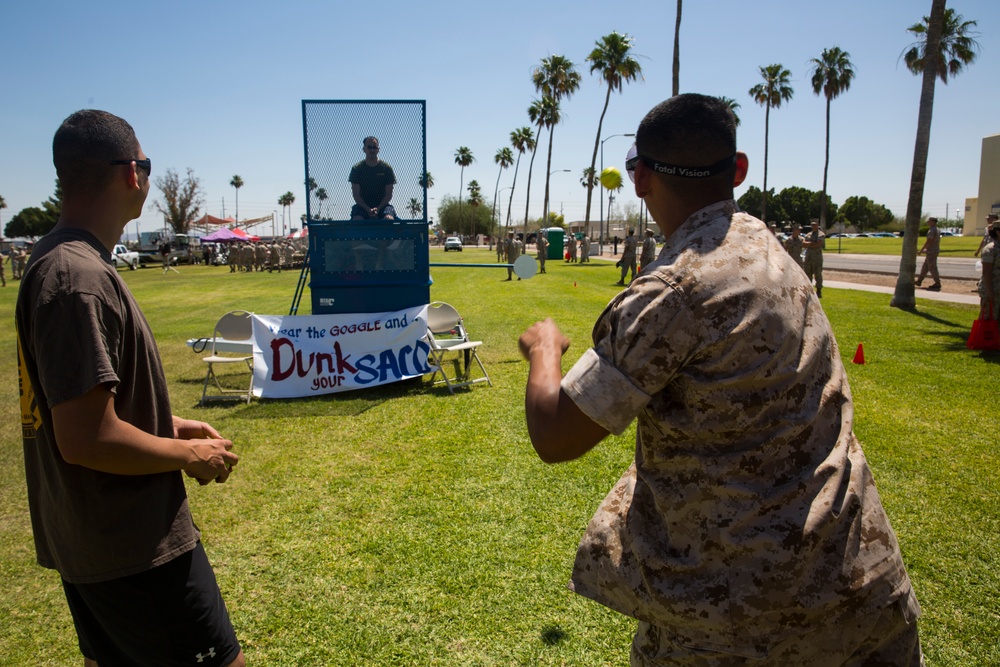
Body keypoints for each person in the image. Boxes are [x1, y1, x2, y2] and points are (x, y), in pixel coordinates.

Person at [518, 94, 921, 666]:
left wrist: (544, 351)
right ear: (737, 172)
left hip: (737, 624)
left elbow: (556, 435)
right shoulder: (767, 245)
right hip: (863, 589)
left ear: (640, 179)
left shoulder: (674, 290)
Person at [15, 110, 245, 667]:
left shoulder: (63, 262)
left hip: (100, 545)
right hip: (134, 551)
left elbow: (85, 408)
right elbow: (87, 439)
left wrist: (168, 427)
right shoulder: (78, 278)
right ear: (130, 174)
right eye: (146, 163)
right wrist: (189, 453)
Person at [349, 136, 396, 220]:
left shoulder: (386, 168)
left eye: (375, 147)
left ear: (378, 149)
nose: (372, 150)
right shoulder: (357, 169)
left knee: (388, 219)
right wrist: (367, 209)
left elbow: (389, 194)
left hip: (383, 206)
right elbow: (356, 195)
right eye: (369, 147)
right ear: (364, 149)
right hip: (362, 207)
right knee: (357, 219)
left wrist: (378, 208)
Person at [978, 222, 1000, 320]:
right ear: (998, 232)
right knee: (988, 319)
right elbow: (986, 272)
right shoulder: (990, 249)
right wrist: (990, 292)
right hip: (993, 289)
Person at [916, 216, 942, 291]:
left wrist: (921, 250)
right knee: (925, 267)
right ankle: (919, 281)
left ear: (933, 222)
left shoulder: (932, 230)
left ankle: (937, 283)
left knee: (932, 267)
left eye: (929, 221)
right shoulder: (937, 229)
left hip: (931, 251)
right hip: (933, 250)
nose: (928, 222)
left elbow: (929, 241)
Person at [802, 219, 825, 297]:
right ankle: (809, 290)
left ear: (818, 225)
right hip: (808, 257)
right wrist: (812, 243)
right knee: (807, 274)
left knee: (818, 274)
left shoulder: (821, 234)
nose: (813, 226)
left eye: (815, 224)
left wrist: (809, 244)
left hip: (817, 258)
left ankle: (819, 291)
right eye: (812, 224)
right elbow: (803, 244)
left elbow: (818, 244)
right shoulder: (808, 234)